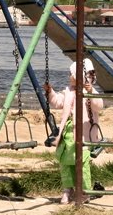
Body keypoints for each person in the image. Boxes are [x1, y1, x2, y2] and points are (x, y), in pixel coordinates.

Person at [43, 58, 103, 204]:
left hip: (84, 135)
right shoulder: (68, 91)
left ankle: (84, 191)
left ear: (79, 76)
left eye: (71, 74)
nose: (69, 76)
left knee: (82, 164)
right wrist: (50, 92)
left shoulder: (89, 92)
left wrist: (91, 92)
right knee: (65, 162)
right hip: (67, 133)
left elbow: (99, 106)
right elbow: (58, 102)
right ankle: (67, 190)